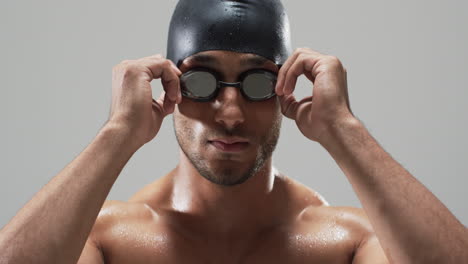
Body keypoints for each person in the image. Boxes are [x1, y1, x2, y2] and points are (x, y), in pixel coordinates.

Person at [1, 0, 467, 263]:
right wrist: (117, 133)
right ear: (170, 85)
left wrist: (344, 129)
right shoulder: (108, 240)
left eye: (258, 82)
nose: (229, 113)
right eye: (201, 81)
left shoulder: (344, 243)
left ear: (287, 87)